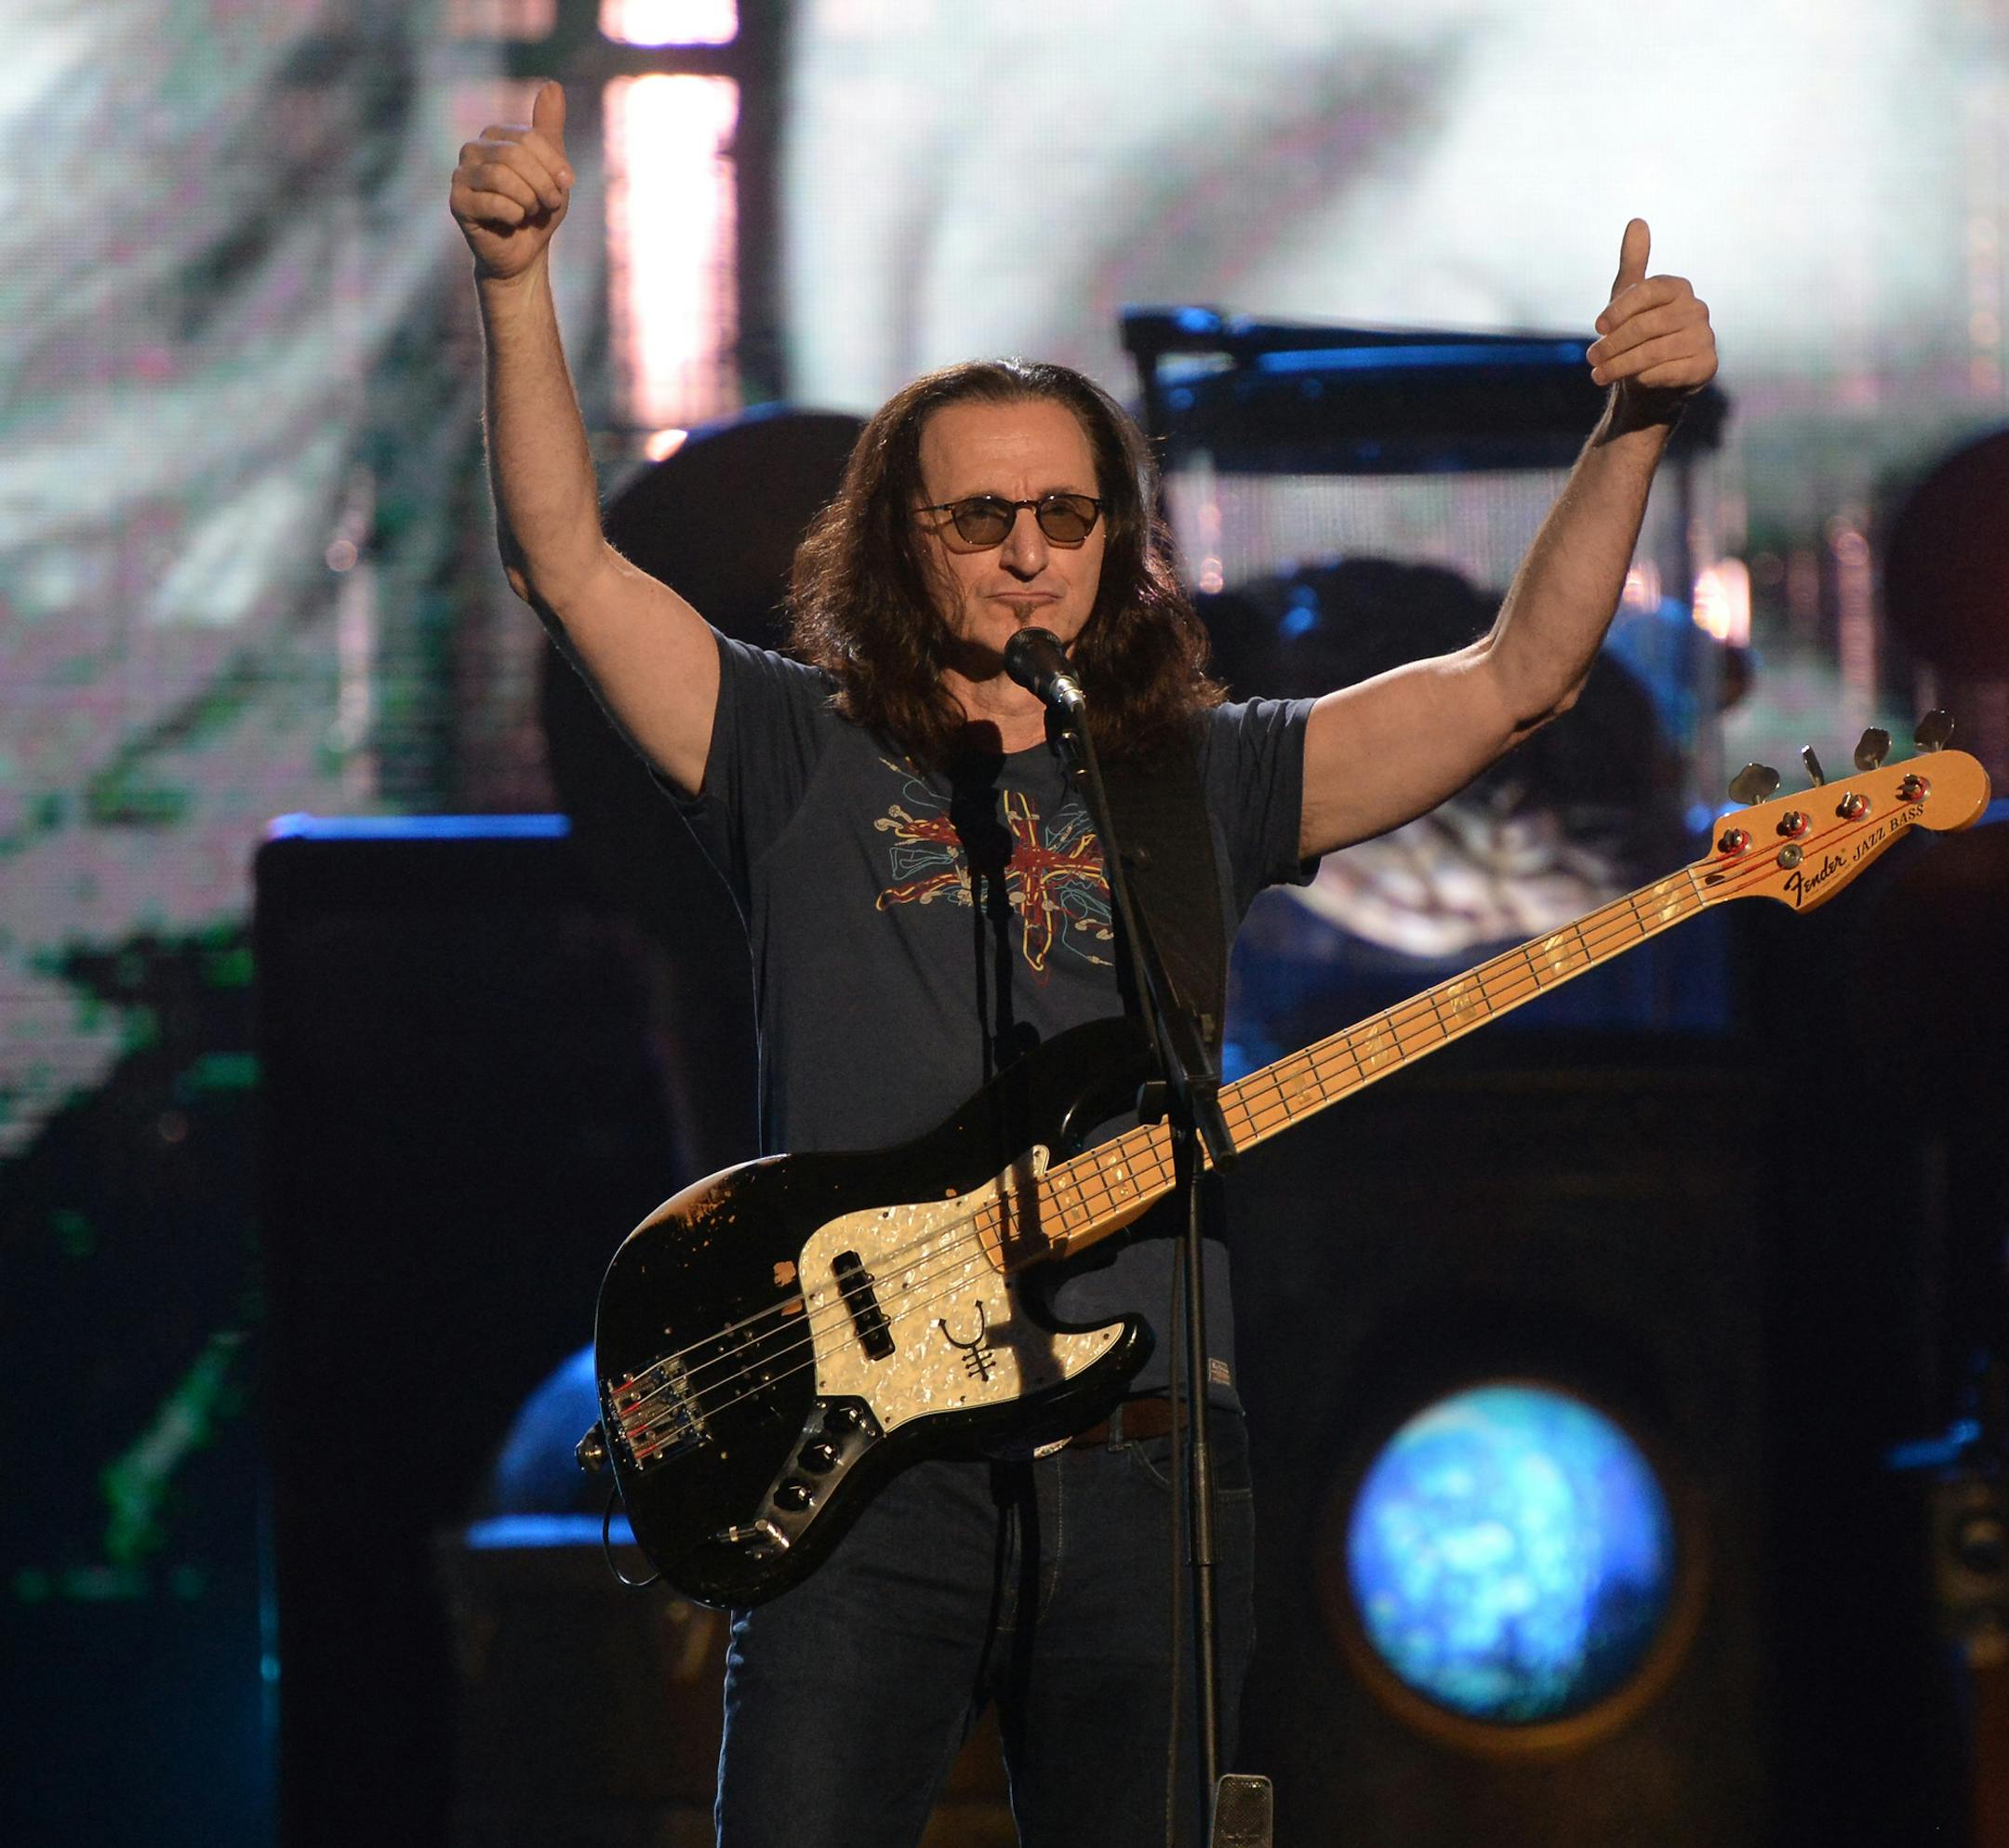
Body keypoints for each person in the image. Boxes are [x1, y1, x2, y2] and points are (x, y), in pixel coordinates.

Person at [450, 80, 1716, 1848]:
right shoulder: (793, 747)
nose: (1030, 552)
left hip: (1143, 1478)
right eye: (981, 518)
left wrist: (1633, 431)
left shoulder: (1200, 774)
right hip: (861, 1483)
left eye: (1066, 513)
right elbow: (567, 564)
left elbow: (1517, 678)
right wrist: (517, 288)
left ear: (1118, 542)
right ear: (902, 543)